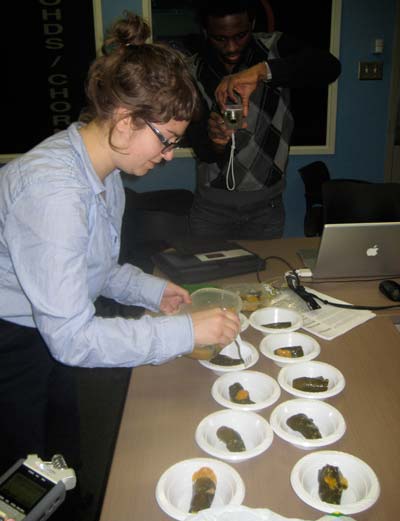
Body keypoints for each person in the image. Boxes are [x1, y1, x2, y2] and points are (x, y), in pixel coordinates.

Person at [0, 10, 240, 488]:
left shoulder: (104, 170)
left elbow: (96, 268)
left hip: (50, 325)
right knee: (21, 478)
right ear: (127, 120)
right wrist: (182, 332)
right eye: (167, 140)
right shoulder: (53, 192)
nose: (169, 155)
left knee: (62, 463)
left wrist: (153, 291)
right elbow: (72, 339)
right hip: (13, 341)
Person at [185, 0, 341, 240]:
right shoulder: (192, 70)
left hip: (266, 210)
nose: (231, 47)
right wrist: (216, 142)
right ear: (206, 31)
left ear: (252, 23)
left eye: (240, 35)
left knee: (267, 267)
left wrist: (262, 71)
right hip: (211, 211)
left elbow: (329, 67)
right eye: (220, 38)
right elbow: (202, 150)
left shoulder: (274, 48)